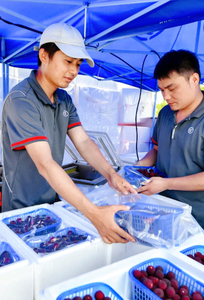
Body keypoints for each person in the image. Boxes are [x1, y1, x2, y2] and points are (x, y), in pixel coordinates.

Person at [1, 23, 137, 244]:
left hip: (50, 204)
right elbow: (45, 164)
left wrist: (111, 175)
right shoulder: (21, 100)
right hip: (20, 210)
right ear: (44, 56)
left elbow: (83, 141)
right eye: (68, 61)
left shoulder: (64, 99)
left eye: (78, 63)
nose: (74, 71)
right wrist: (93, 213)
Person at [136, 50, 204, 230]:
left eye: (172, 88)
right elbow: (157, 150)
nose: (166, 97)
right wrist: (136, 169)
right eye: (161, 90)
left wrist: (166, 183)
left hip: (196, 221)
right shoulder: (165, 113)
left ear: (194, 79)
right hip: (159, 210)